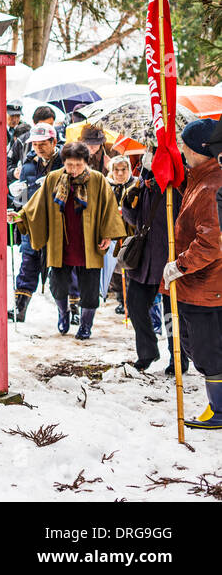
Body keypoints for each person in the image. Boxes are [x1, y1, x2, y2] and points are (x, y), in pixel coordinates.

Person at [12, 141, 125, 340]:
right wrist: (21, 216)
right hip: (61, 243)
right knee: (58, 285)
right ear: (63, 163)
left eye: (78, 165)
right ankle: (63, 313)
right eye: (69, 165)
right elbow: (36, 205)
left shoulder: (98, 180)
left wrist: (108, 235)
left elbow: (109, 208)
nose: (73, 170)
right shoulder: (53, 179)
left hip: (88, 243)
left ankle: (85, 325)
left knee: (89, 289)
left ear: (86, 163)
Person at [164, 120, 222, 429]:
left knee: (207, 351)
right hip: (202, 286)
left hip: (206, 286)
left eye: (184, 144)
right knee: (203, 347)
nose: (181, 148)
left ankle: (220, 409)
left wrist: (181, 265)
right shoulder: (202, 178)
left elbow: (211, 243)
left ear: (199, 149)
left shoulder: (212, 187)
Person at [120, 144, 184, 372]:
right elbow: (134, 218)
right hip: (144, 258)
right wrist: (128, 202)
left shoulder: (178, 182)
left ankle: (178, 358)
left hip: (169, 258)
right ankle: (147, 352)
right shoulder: (144, 181)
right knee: (136, 305)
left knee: (171, 313)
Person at [9, 121, 62, 322]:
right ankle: (20, 309)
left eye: (43, 144)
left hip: (58, 224)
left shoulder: (64, 162)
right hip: (31, 223)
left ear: (53, 142)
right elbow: (21, 197)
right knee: (28, 264)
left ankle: (70, 311)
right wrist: (16, 198)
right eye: (35, 144)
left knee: (61, 269)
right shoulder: (29, 165)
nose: (38, 148)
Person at [106, 155, 135, 315]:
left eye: (123, 169)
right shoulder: (107, 185)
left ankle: (129, 301)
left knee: (129, 264)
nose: (120, 173)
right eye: (116, 170)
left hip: (130, 232)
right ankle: (120, 298)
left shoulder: (134, 184)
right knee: (115, 268)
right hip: (113, 233)